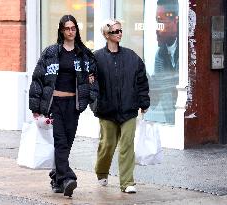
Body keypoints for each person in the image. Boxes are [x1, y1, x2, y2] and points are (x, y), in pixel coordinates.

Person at [29, 14, 97, 197]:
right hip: (55, 104)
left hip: (73, 105)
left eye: (73, 28)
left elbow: (93, 80)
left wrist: (89, 97)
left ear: (77, 30)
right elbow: (38, 79)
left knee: (66, 143)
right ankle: (68, 178)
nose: (70, 31)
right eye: (67, 28)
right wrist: (36, 107)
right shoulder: (51, 52)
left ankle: (56, 177)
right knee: (60, 142)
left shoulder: (83, 54)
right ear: (61, 30)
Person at [92, 19, 150, 193]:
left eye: (120, 31)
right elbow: (90, 84)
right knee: (107, 144)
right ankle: (101, 171)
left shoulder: (132, 56)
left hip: (128, 109)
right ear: (106, 35)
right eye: (115, 31)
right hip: (106, 110)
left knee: (127, 145)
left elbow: (141, 80)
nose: (119, 34)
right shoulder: (96, 58)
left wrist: (144, 102)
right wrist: (95, 104)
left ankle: (127, 182)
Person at [148, 0, 179, 124]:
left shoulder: (187, 51)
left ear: (175, 22)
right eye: (157, 22)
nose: (156, 29)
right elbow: (156, 98)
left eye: (160, 22)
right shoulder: (160, 54)